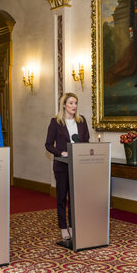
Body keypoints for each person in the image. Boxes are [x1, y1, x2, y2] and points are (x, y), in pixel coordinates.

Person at [45, 92, 90, 241]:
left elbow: (86, 141)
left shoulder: (81, 121)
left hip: (77, 165)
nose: (74, 106)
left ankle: (72, 225)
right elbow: (49, 145)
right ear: (64, 105)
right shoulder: (56, 122)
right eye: (71, 103)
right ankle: (63, 227)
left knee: (74, 198)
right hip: (62, 166)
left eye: (75, 103)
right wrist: (61, 152)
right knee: (62, 198)